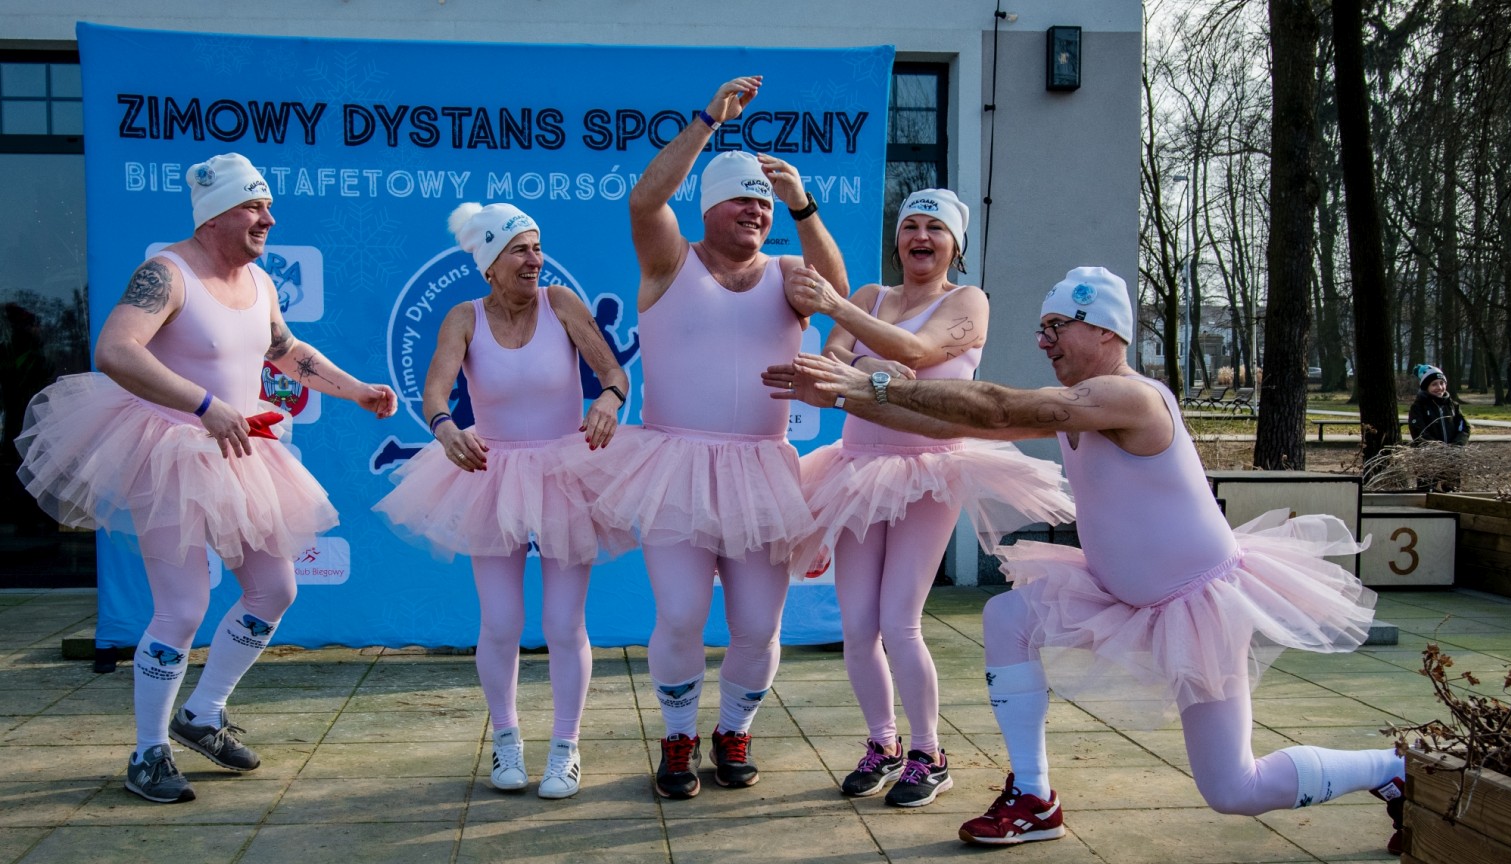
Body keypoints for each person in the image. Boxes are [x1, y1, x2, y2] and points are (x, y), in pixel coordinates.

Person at [773, 267, 1406, 852]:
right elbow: (956, 427)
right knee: (1007, 618)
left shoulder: (1129, 398)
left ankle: (1391, 769)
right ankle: (1033, 797)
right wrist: (844, 396)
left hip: (1196, 606)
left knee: (1234, 788)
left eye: (1058, 326)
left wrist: (876, 381)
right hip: (1116, 591)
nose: (1043, 340)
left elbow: (997, 406)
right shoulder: (1081, 401)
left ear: (1106, 330)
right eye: (1041, 328)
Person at [15, 153, 398, 803]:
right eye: (254, 206)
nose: (268, 218)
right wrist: (203, 406)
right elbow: (114, 350)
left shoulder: (260, 282)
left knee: (274, 589)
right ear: (215, 215)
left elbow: (286, 350)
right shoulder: (166, 274)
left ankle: (203, 713)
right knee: (183, 607)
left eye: (268, 206)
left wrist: (355, 389)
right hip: (168, 453)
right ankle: (148, 752)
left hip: (241, 450)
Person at [588, 75, 849, 799]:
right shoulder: (670, 261)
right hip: (675, 465)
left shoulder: (789, 273)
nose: (757, 211)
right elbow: (644, 202)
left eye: (764, 204)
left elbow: (837, 291)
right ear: (708, 208)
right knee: (679, 614)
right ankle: (678, 737)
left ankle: (734, 729)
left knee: (759, 625)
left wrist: (802, 205)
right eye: (743, 200)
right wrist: (708, 120)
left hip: (761, 471)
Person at [777, 189, 1075, 807]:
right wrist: (869, 371)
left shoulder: (967, 301)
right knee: (858, 625)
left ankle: (928, 752)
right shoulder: (870, 296)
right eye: (910, 225)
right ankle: (882, 743)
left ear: (954, 246)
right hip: (857, 468)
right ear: (897, 240)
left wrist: (843, 322)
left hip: (928, 470)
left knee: (899, 620)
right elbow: (833, 366)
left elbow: (916, 351)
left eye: (935, 227)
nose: (920, 235)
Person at [373, 202, 632, 799]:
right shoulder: (463, 317)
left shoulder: (561, 303)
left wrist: (608, 401)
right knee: (500, 622)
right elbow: (435, 390)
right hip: (490, 472)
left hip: (565, 473)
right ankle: (507, 741)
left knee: (564, 623)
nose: (534, 259)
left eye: (537, 247)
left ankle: (565, 749)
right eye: (520, 249)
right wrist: (444, 427)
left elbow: (614, 376)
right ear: (490, 264)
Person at [1407, 364, 1471, 493]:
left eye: (1442, 383)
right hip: (1428, 457)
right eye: (1434, 384)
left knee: (1452, 491)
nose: (1439, 387)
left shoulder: (1452, 406)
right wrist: (1436, 447)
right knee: (1426, 491)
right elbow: (1419, 431)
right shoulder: (1419, 406)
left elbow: (1464, 427)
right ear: (1426, 387)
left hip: (1451, 457)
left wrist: (1456, 445)